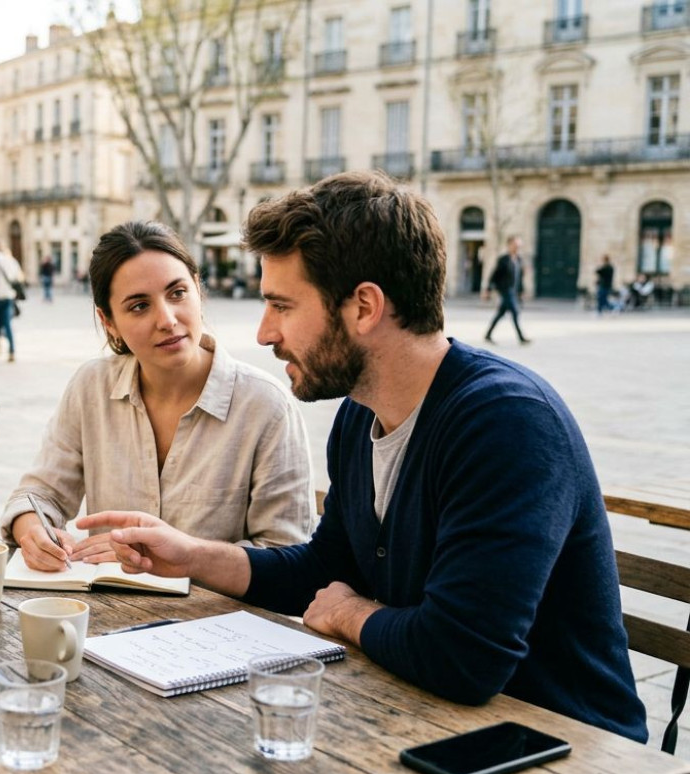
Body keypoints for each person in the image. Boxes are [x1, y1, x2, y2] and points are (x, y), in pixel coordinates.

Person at [85, 172, 647, 742]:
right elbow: (325, 571)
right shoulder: (361, 413)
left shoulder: (507, 423)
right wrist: (189, 556)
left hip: (562, 752)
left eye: (281, 305)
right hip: (428, 723)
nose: (264, 333)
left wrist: (350, 615)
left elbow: (463, 657)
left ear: (364, 307)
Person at [4, 221, 313, 571]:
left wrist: (179, 557)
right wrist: (31, 527)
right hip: (109, 613)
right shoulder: (91, 387)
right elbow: (41, 493)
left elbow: (286, 557)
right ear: (108, 321)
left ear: (198, 289)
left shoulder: (264, 405)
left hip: (217, 621)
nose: (167, 319)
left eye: (177, 293)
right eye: (139, 306)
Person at [482, 235, 531, 345]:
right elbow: (494, 275)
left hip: (513, 291)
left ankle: (488, 334)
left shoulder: (519, 259)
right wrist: (487, 290)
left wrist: (521, 291)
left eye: (519, 245)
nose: (517, 247)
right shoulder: (503, 259)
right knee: (515, 312)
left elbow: (519, 278)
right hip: (505, 290)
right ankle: (521, 338)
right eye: (515, 245)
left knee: (500, 313)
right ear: (509, 245)